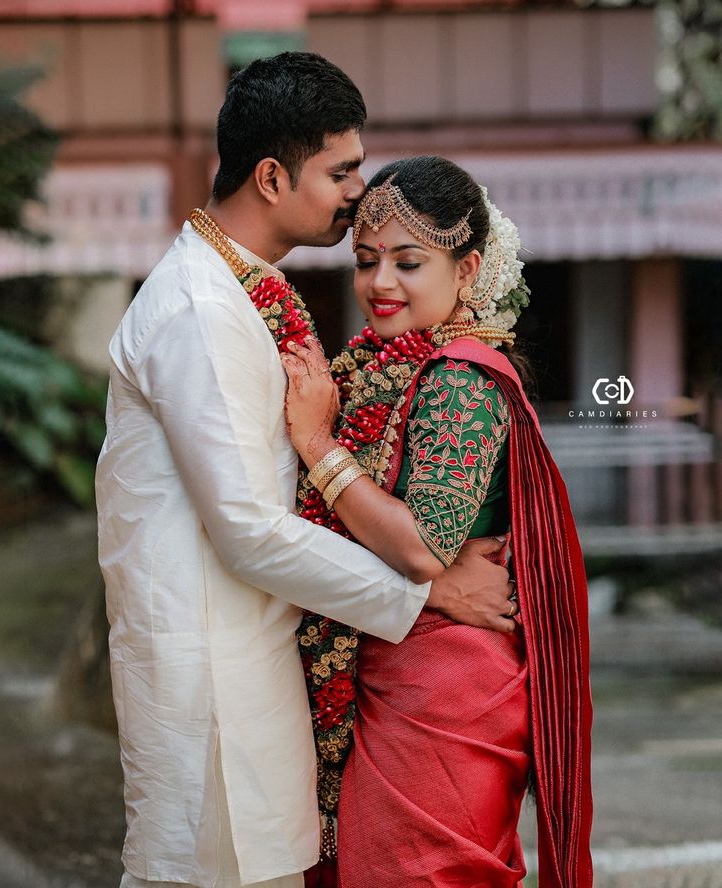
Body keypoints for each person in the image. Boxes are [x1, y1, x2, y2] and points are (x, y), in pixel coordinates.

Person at [95, 55, 519, 888]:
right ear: (270, 176)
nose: (358, 191)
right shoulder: (202, 312)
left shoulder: (244, 293)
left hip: (253, 666)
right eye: (341, 171)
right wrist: (430, 590)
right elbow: (250, 530)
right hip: (212, 680)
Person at [282, 156, 594, 888]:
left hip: (441, 693)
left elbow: (422, 547)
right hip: (410, 669)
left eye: (408, 261)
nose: (380, 282)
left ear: (467, 269)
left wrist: (320, 446)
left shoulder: (458, 378)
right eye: (366, 260)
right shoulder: (389, 366)